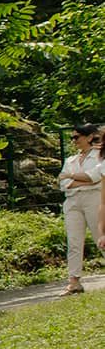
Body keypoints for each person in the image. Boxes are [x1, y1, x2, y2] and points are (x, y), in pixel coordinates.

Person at [57, 123, 103, 296]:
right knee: (74, 241)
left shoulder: (99, 155)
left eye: (77, 137)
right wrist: (79, 180)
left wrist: (71, 176)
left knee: (100, 237)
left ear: (89, 137)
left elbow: (94, 177)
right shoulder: (71, 160)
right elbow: (63, 183)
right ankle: (74, 282)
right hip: (72, 201)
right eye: (72, 137)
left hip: (93, 198)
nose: (74, 140)